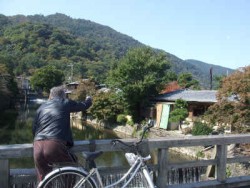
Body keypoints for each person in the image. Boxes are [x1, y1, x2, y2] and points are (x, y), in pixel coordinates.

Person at [32, 85, 92, 182]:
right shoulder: (65, 102)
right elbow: (84, 105)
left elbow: (34, 128)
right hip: (54, 144)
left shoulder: (41, 107)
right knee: (72, 170)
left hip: (37, 145)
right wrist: (89, 99)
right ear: (63, 96)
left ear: (50, 96)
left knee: (43, 179)